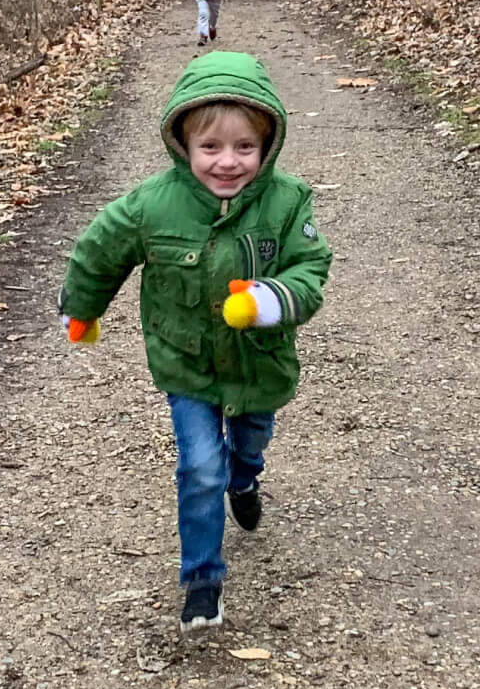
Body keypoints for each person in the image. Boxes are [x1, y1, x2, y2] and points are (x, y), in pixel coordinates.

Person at [60, 52, 331, 631]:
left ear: (268, 145)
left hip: (259, 365)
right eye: (211, 147)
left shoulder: (288, 203)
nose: (228, 162)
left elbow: (311, 270)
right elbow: (99, 252)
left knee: (250, 440)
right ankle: (203, 580)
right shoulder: (151, 205)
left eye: (244, 148)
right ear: (183, 143)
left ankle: (247, 474)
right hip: (186, 365)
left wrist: (270, 300)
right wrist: (81, 310)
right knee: (199, 468)